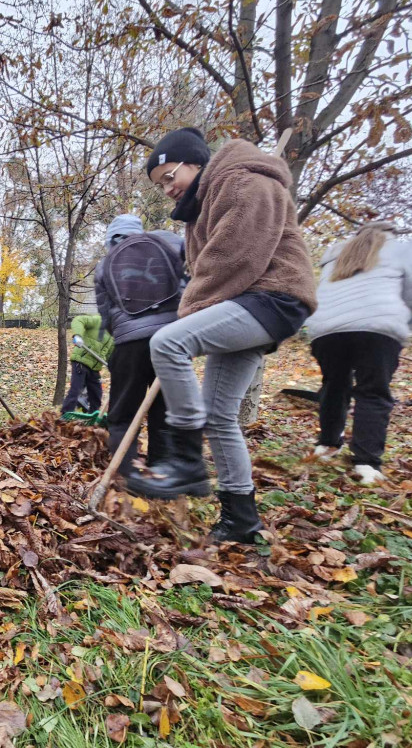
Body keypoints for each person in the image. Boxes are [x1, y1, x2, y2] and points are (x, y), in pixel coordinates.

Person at [131, 127, 316, 544]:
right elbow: (204, 267)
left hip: (273, 298)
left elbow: (233, 258)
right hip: (244, 304)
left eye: (168, 176)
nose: (166, 189)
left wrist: (188, 315)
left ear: (193, 162)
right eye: (160, 184)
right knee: (219, 417)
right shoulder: (201, 209)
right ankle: (240, 520)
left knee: (168, 341)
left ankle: (186, 459)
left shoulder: (247, 182)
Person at [306, 221, 412, 484]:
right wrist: (395, 303)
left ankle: (327, 445)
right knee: (373, 391)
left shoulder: (335, 253)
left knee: (334, 385)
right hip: (377, 328)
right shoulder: (405, 250)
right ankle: (366, 464)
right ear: (392, 234)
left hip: (326, 328)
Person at [94, 213, 183, 475]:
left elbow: (106, 312)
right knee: (164, 413)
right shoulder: (167, 246)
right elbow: (186, 284)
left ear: (111, 238)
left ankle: (126, 475)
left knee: (123, 413)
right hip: (171, 341)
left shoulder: (106, 263)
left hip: (129, 345)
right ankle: (161, 475)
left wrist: (123, 333)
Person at [61, 314, 113, 414]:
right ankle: (65, 414)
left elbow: (110, 354)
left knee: (96, 394)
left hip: (95, 367)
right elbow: (78, 320)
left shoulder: (113, 334)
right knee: (76, 390)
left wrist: (114, 366)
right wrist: (78, 335)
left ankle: (93, 418)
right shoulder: (98, 320)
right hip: (81, 360)